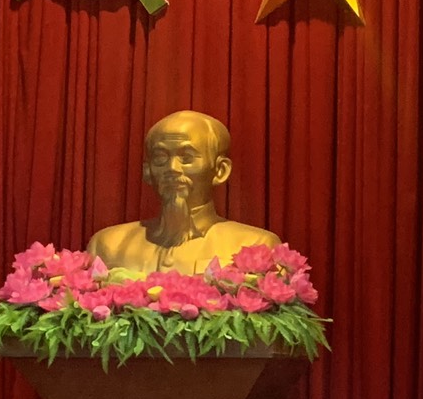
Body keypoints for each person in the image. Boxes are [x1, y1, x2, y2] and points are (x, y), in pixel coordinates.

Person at [86, 110, 279, 275]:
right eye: (160, 158)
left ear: (220, 170)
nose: (172, 168)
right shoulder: (109, 245)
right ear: (147, 171)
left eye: (187, 158)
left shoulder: (256, 246)